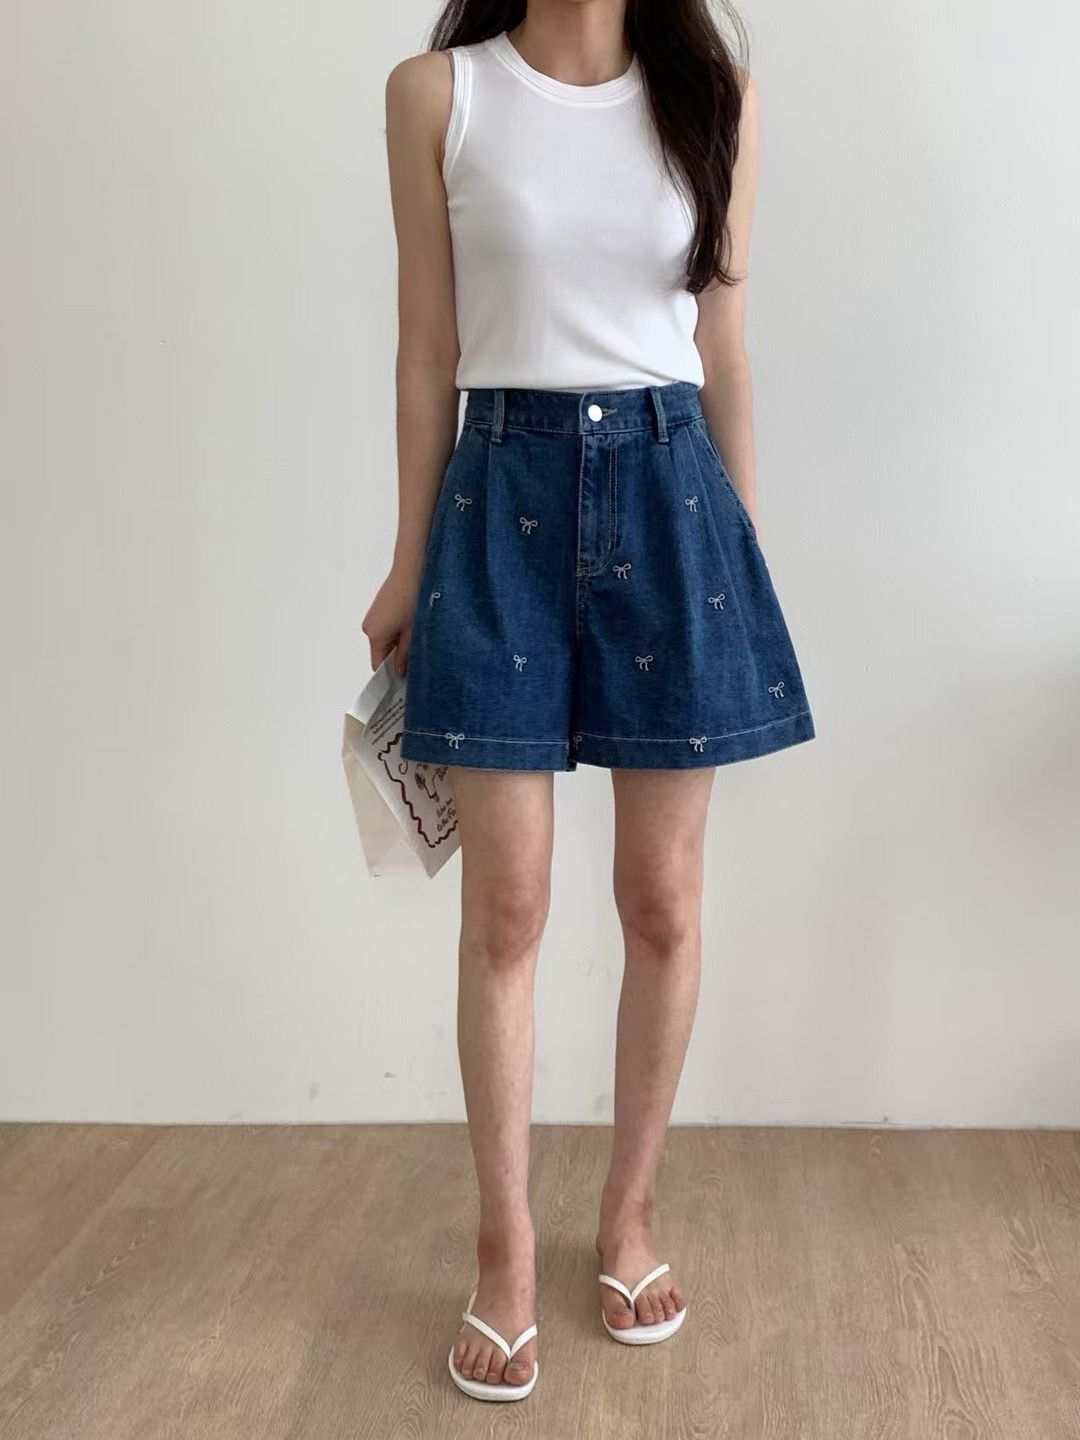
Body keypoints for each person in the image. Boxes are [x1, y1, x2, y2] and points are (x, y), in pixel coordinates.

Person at [363, 0, 815, 1403]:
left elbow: (723, 346)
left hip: (674, 500)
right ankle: (503, 1247)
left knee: (662, 901)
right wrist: (406, 557)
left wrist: (738, 547)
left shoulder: (715, 96)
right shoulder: (438, 96)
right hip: (499, 493)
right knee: (506, 910)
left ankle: (628, 1216)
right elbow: (427, 347)